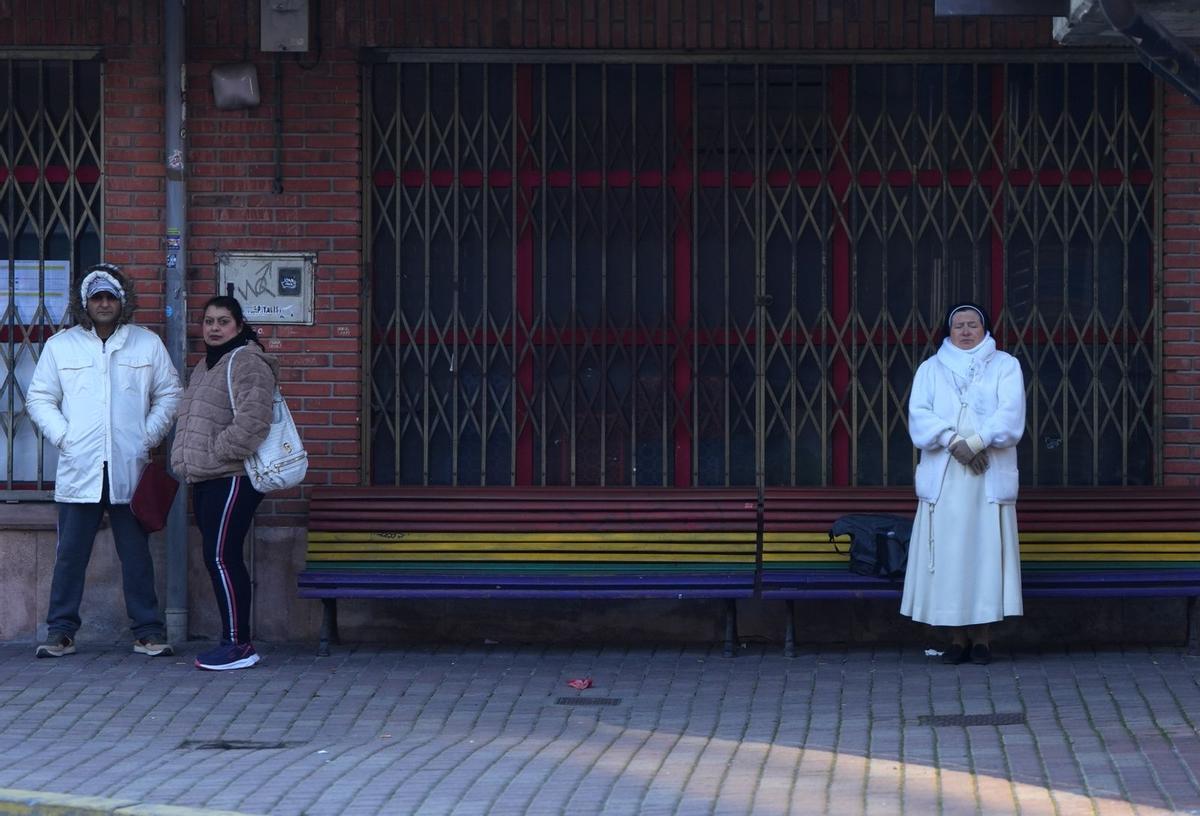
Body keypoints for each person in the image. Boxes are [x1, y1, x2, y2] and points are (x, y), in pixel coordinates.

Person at [27, 263, 182, 658]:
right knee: (70, 557)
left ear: (122, 300)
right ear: (84, 303)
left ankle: (148, 631)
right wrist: (66, 437)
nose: (103, 303)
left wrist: (146, 437)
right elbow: (40, 398)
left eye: (110, 296)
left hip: (129, 469)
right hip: (80, 469)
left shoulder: (145, 344)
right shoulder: (61, 346)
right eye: (96, 297)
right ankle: (60, 632)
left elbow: (170, 393)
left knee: (136, 557)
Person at [900, 301, 1026, 666]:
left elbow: (1011, 413)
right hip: (946, 478)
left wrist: (976, 442)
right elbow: (919, 413)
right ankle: (956, 639)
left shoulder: (1006, 365)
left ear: (985, 329)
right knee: (950, 559)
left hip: (986, 475)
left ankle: (983, 639)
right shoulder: (930, 369)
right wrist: (953, 441)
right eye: (959, 326)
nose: (966, 331)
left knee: (985, 556)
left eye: (973, 324)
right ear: (948, 331)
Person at [171, 295, 276, 671]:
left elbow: (254, 420)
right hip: (206, 477)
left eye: (223, 321)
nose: (214, 328)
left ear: (238, 325)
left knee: (222, 557)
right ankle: (233, 641)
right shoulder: (205, 365)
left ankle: (238, 645)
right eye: (209, 321)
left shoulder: (247, 361)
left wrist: (219, 452)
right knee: (217, 557)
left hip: (233, 477)